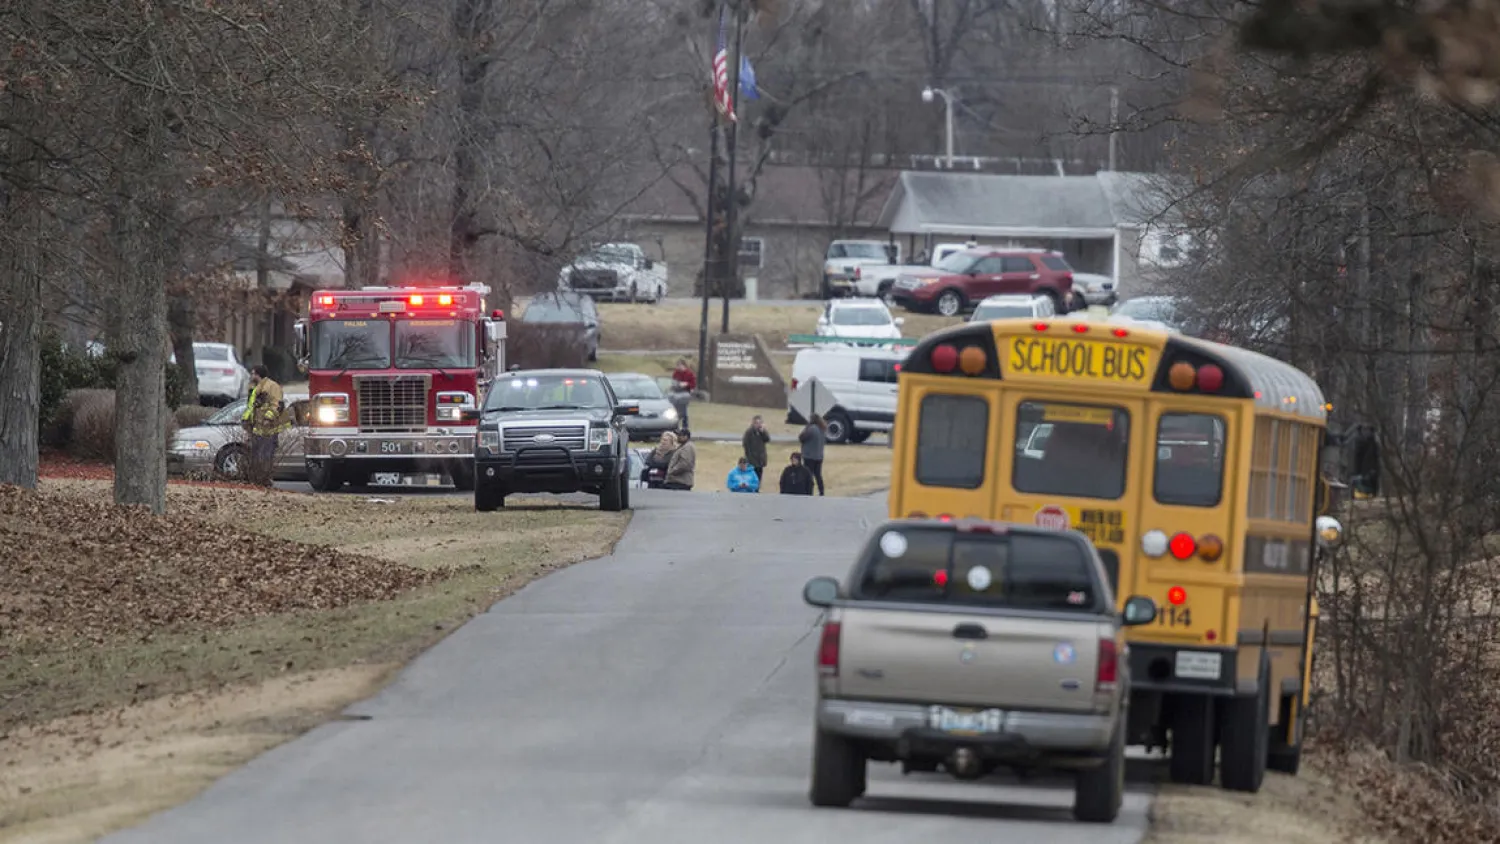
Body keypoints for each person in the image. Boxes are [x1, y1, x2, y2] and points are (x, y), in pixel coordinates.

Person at [241, 364, 290, 485]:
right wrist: (246, 420)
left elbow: (276, 404)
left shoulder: (272, 386)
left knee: (266, 453)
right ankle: (258, 479)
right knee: (257, 454)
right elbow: (251, 407)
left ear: (258, 374)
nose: (251, 376)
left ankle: (265, 479)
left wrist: (268, 419)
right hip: (257, 426)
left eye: (253, 373)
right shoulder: (255, 387)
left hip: (269, 427)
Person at [799, 413, 828, 496]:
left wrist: (806, 428)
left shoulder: (811, 429)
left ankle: (809, 491)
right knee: (818, 475)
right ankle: (821, 491)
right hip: (819, 456)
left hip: (809, 456)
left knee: (808, 475)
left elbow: (802, 438)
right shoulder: (822, 429)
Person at [741, 414, 770, 491]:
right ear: (753, 423)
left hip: (760, 459)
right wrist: (749, 457)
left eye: (760, 423)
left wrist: (763, 432)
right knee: (751, 477)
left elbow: (767, 439)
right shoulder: (749, 432)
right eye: (757, 423)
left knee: (759, 476)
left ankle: (757, 490)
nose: (759, 424)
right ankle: (751, 490)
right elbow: (745, 444)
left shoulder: (762, 432)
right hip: (752, 460)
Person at [670, 358, 697, 427]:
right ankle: (675, 424)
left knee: (683, 409)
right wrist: (675, 385)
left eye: (679, 365)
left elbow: (693, 385)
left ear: (684, 365)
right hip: (676, 392)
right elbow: (673, 381)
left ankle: (685, 425)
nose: (678, 367)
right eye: (677, 365)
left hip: (685, 392)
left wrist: (686, 384)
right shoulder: (676, 373)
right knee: (675, 408)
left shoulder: (689, 373)